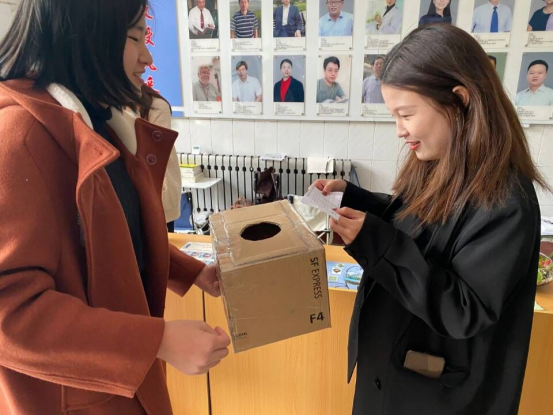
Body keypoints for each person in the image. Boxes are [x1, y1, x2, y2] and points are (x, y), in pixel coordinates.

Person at [0, 1, 231, 413]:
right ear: (85, 35)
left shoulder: (96, 121)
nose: (147, 57)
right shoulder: (19, 139)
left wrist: (193, 272)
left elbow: (117, 237)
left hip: (124, 386)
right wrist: (157, 340)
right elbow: (10, 312)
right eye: (134, 37)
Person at [313, 24, 545, 415]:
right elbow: (423, 227)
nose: (399, 131)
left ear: (459, 101)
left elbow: (462, 308)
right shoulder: (441, 162)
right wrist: (355, 199)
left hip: (438, 397)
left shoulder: (507, 201)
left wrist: (375, 242)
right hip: (390, 377)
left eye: (406, 114)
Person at [140, 85, 182, 232]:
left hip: (158, 188)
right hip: (137, 193)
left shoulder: (155, 106)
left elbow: (156, 152)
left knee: (162, 240)